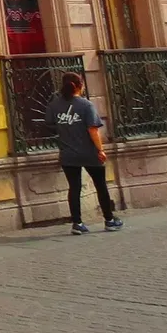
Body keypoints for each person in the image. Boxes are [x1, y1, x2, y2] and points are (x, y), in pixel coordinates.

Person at [49, 71, 123, 234]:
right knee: (100, 185)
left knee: (74, 187)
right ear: (79, 86)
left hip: (68, 152)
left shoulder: (55, 104)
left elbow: (50, 123)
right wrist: (100, 150)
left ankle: (77, 223)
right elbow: (93, 130)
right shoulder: (86, 105)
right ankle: (109, 220)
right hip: (89, 152)